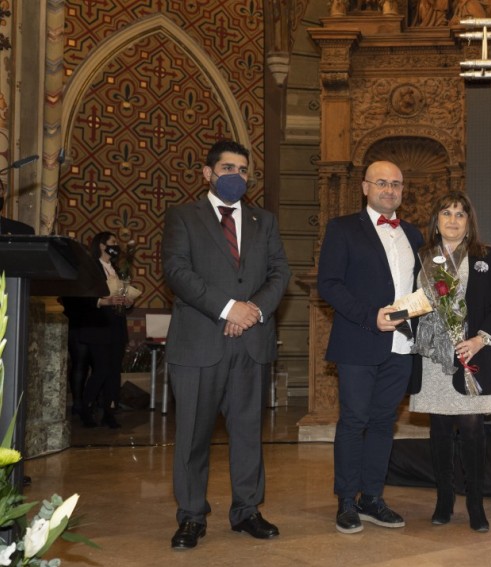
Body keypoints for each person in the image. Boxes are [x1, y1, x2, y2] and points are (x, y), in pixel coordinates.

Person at [162, 139, 290, 550]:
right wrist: (227, 309)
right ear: (208, 172)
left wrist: (251, 310)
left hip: (251, 343)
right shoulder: (183, 217)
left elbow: (279, 272)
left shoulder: (263, 221)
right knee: (193, 437)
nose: (236, 176)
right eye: (228, 168)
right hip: (199, 343)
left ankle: (247, 511)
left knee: (248, 434)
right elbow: (177, 272)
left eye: (243, 170)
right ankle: (191, 516)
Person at [317, 160, 423, 534]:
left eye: (396, 184)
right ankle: (346, 501)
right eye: (382, 183)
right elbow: (328, 284)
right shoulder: (343, 228)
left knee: (383, 423)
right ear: (365, 187)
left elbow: (422, 288)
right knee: (354, 421)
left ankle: (372, 498)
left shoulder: (413, 234)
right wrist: (368, 316)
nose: (389, 190)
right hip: (359, 341)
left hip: (401, 345)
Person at [409, 191, 491, 533]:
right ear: (436, 221)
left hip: (472, 356)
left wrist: (480, 340)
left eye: (460, 214)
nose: (453, 219)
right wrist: (391, 314)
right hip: (434, 358)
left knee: (471, 428)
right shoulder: (424, 257)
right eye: (446, 213)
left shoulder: (488, 257)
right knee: (438, 428)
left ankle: (476, 503)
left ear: (469, 223)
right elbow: (416, 303)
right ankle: (443, 500)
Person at [61, 231, 132, 428]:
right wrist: (103, 301)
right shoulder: (90, 267)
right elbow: (79, 297)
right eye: (113, 242)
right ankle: (85, 408)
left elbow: (120, 296)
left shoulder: (116, 269)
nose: (116, 246)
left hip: (116, 326)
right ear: (101, 245)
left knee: (114, 372)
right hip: (98, 325)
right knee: (101, 369)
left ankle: (110, 411)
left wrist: (127, 302)